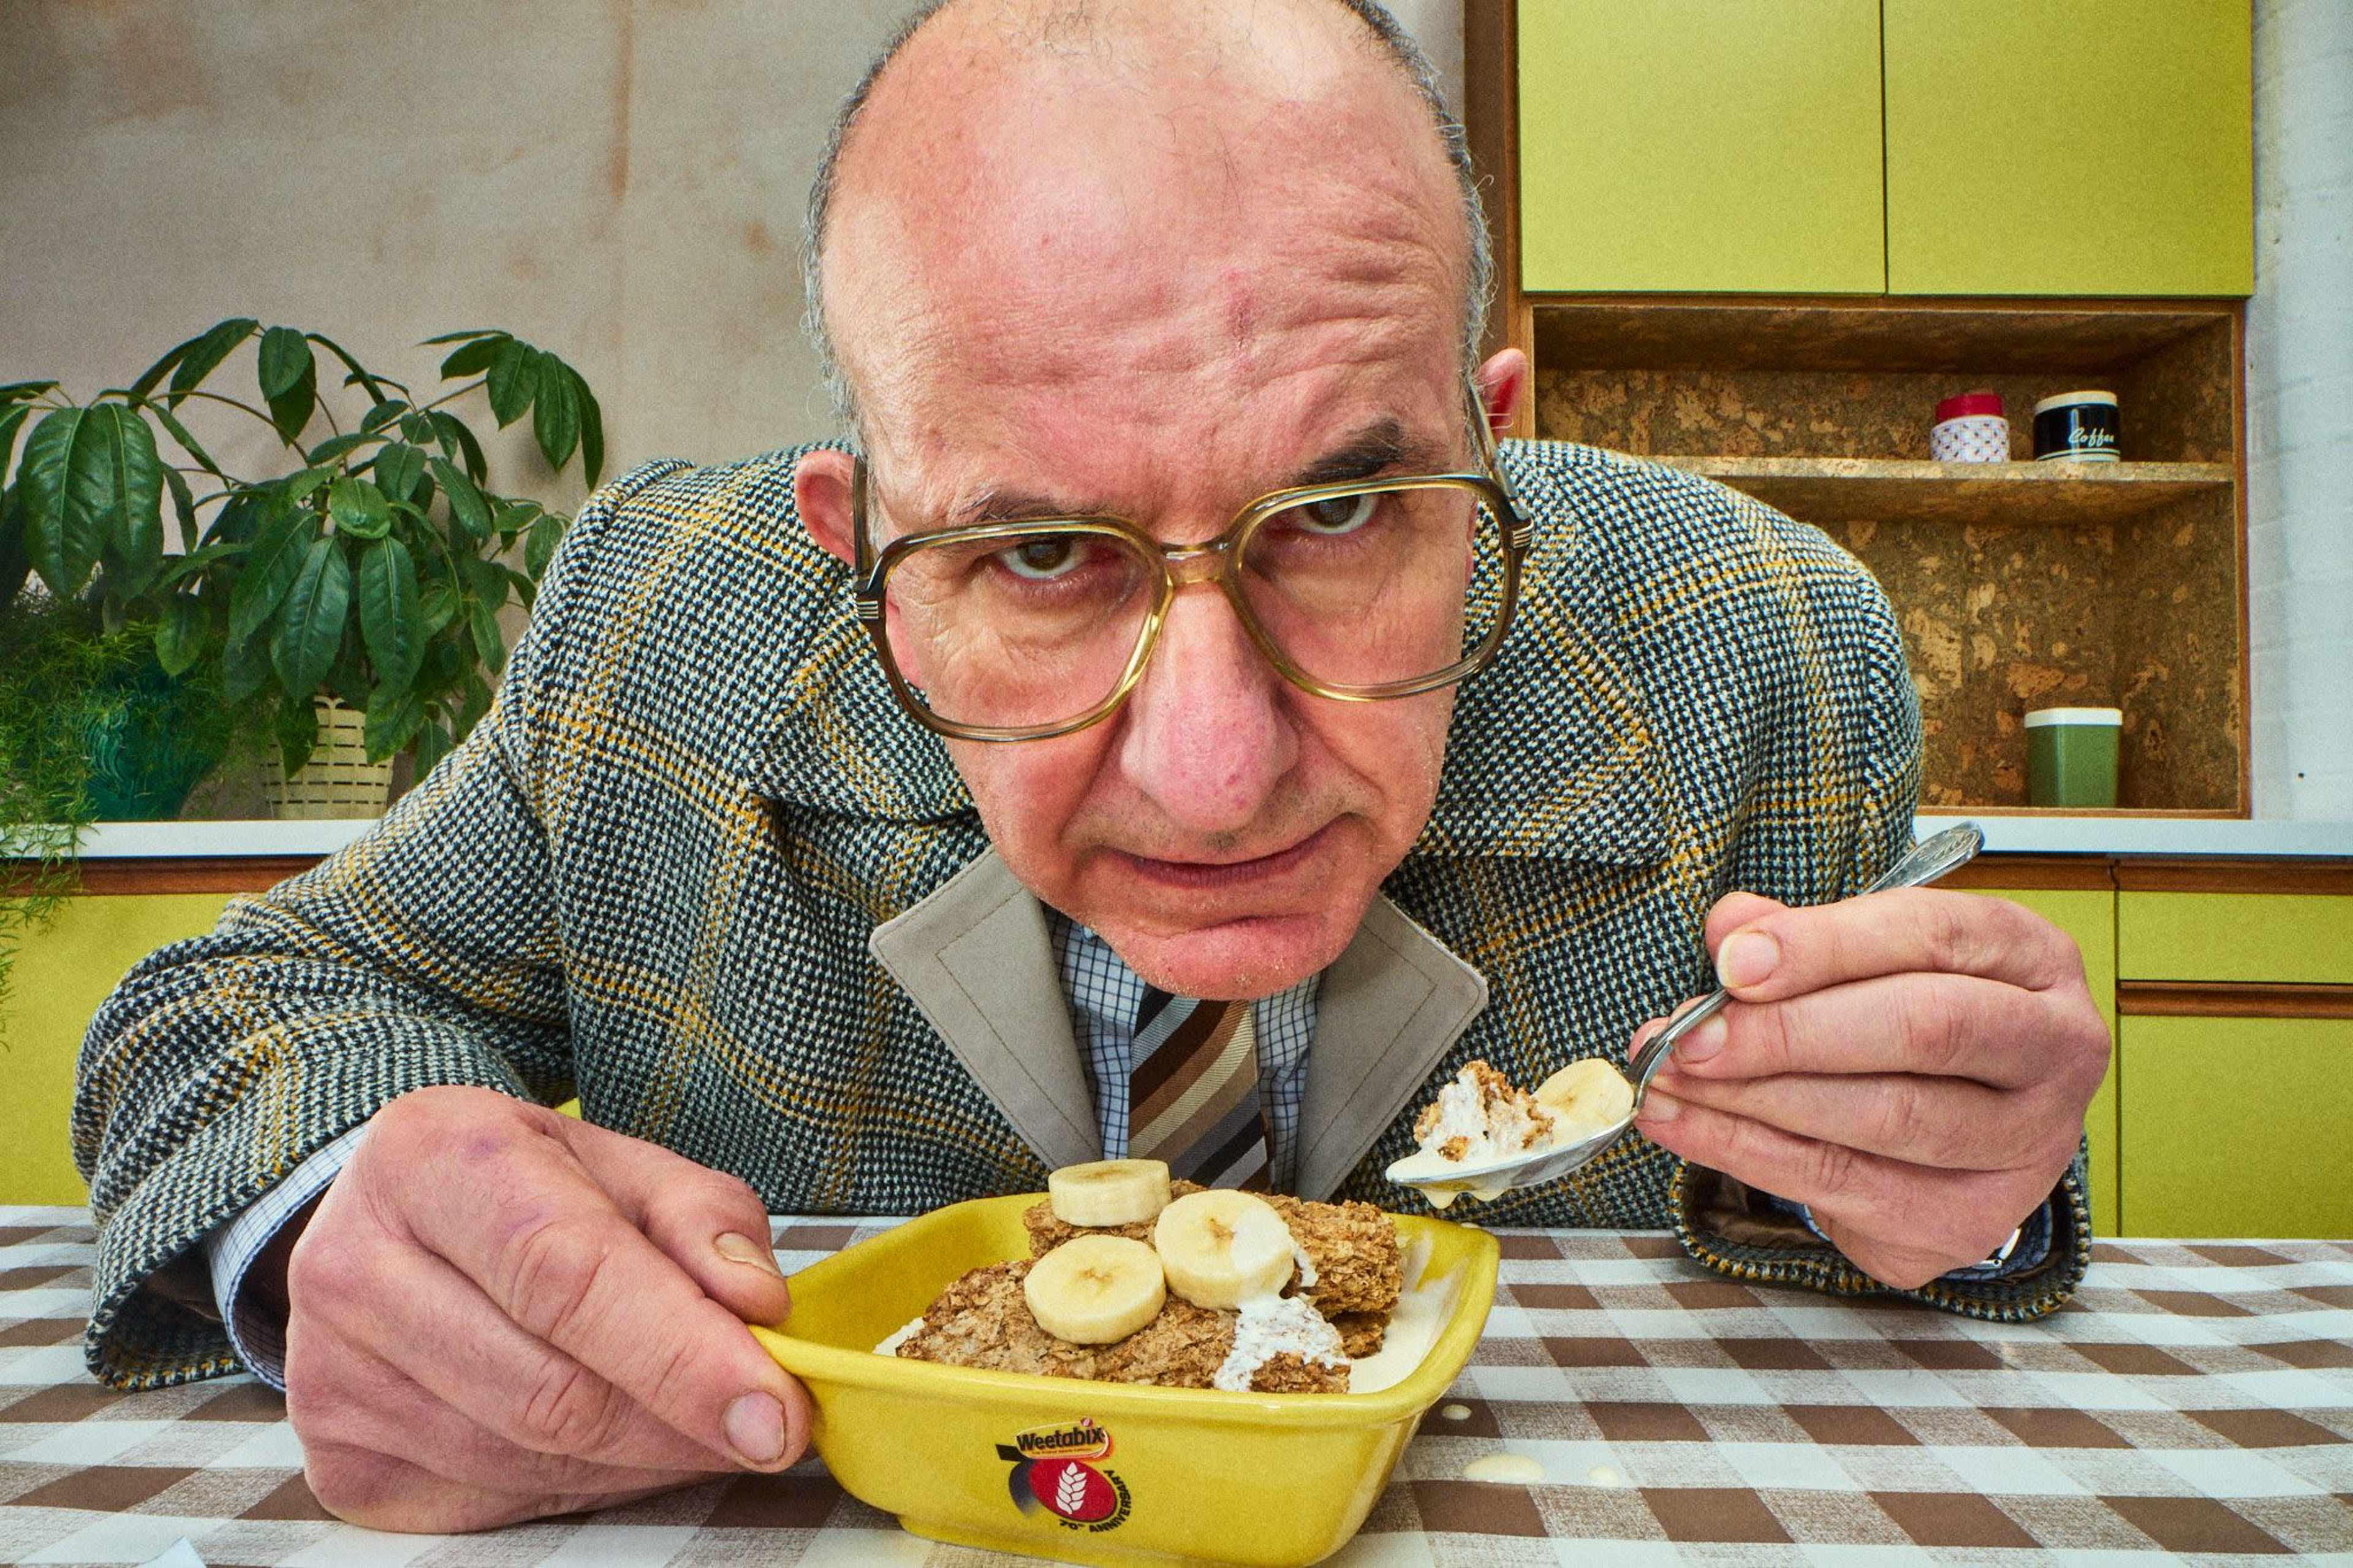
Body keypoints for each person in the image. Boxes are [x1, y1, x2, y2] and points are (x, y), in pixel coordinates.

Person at [74, 0, 2110, 1534]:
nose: (1216, 779)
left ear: (1485, 441)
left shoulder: (1759, 650)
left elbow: (1868, 1213)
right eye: (1038, 555)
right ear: (860, 558)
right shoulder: (656, 636)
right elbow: (227, 1014)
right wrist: (343, 1225)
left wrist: (1954, 1175)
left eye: (1344, 514)